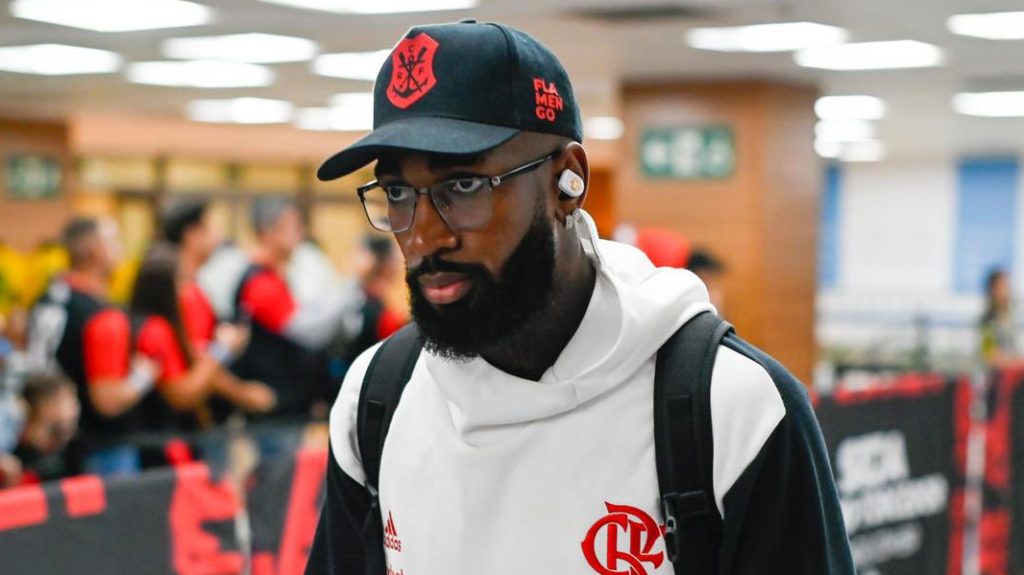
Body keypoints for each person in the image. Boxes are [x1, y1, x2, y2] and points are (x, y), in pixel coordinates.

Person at [306, 20, 853, 575]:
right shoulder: (376, 397)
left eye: (463, 187)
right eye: (398, 194)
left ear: (567, 181)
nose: (422, 237)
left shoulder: (733, 408)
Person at [25, 217, 160, 475]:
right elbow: (107, 400)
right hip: (100, 447)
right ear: (95, 252)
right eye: (114, 241)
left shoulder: (48, 297)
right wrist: (144, 376)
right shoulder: (102, 316)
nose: (121, 249)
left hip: (52, 445)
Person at [231, 197, 355, 421]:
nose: (301, 232)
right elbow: (307, 331)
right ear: (269, 232)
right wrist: (351, 283)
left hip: (289, 402)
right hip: (273, 406)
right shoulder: (260, 282)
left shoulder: (279, 275)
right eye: (294, 225)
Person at [158, 201, 277, 419]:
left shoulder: (190, 286)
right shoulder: (185, 292)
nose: (219, 236)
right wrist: (244, 394)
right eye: (210, 228)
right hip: (195, 416)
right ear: (192, 235)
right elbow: (199, 361)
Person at [340, 235, 407, 368]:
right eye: (394, 259)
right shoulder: (364, 301)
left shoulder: (369, 296)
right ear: (385, 264)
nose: (400, 263)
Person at [13, 371, 80, 484]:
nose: (74, 410)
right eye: (67, 402)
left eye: (74, 401)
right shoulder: (16, 460)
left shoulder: (76, 449)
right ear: (44, 407)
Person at [980, 267, 1018, 368]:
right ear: (992, 289)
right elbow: (988, 355)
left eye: (1006, 286)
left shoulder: (1012, 316)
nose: (1005, 291)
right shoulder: (988, 319)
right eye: (1001, 286)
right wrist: (1015, 361)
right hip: (999, 376)